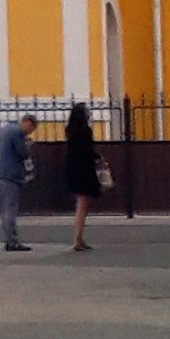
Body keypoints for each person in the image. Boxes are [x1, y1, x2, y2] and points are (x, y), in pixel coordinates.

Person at [0, 111, 33, 251]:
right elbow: (22, 153)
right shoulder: (17, 133)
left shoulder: (6, 129)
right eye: (31, 129)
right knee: (10, 209)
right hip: (10, 176)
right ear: (27, 123)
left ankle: (9, 239)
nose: (29, 133)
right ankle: (12, 241)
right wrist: (28, 145)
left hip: (0, 174)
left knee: (5, 209)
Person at [65, 102, 101, 252]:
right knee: (83, 206)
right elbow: (88, 151)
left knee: (81, 205)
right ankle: (78, 238)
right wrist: (98, 158)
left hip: (74, 169)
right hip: (85, 170)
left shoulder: (69, 131)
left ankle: (79, 238)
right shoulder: (85, 131)